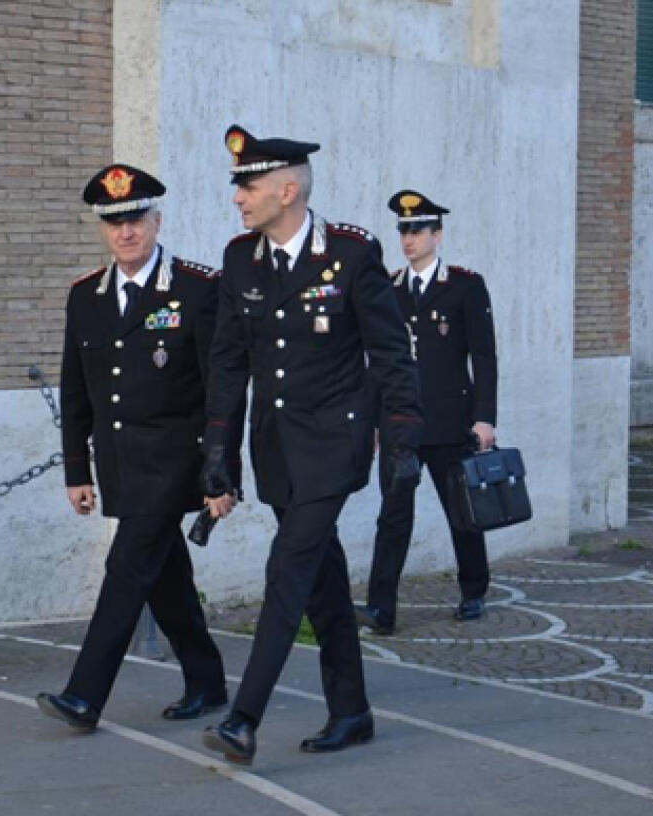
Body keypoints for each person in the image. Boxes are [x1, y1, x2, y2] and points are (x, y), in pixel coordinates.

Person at [198, 125, 423, 766]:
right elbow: (228, 363)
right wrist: (218, 451)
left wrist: (402, 438)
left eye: (249, 186)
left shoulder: (350, 254)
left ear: (287, 191)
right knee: (322, 579)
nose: (238, 198)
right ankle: (351, 710)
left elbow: (390, 353)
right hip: (275, 447)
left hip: (333, 444)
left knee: (288, 568)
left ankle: (243, 718)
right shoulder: (239, 260)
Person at [35, 163, 232, 731]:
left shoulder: (196, 289)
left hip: (175, 462)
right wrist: (77, 470)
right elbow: (76, 389)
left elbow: (221, 389)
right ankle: (207, 680)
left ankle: (84, 695)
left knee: (125, 569)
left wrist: (220, 470)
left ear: (157, 221)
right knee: (165, 576)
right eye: (114, 223)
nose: (126, 232)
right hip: (121, 464)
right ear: (103, 228)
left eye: (136, 220)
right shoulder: (85, 297)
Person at [354, 190, 498, 635]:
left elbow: (484, 357)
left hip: (450, 421)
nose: (408, 239)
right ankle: (381, 607)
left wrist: (484, 418)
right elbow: (377, 362)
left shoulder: (464, 286)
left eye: (417, 231)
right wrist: (372, 421)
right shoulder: (389, 289)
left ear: (438, 234)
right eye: (403, 230)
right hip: (400, 424)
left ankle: (473, 591)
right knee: (393, 516)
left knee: (462, 514)